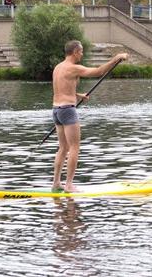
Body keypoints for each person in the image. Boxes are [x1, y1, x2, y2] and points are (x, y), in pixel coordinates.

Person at [51, 40, 127, 192]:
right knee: (74, 147)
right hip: (67, 111)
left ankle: (56, 183)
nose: (82, 54)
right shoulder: (73, 68)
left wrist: (78, 95)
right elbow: (98, 71)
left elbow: (61, 90)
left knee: (63, 148)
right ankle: (69, 185)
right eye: (81, 51)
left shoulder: (58, 68)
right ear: (75, 52)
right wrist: (116, 58)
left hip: (56, 110)